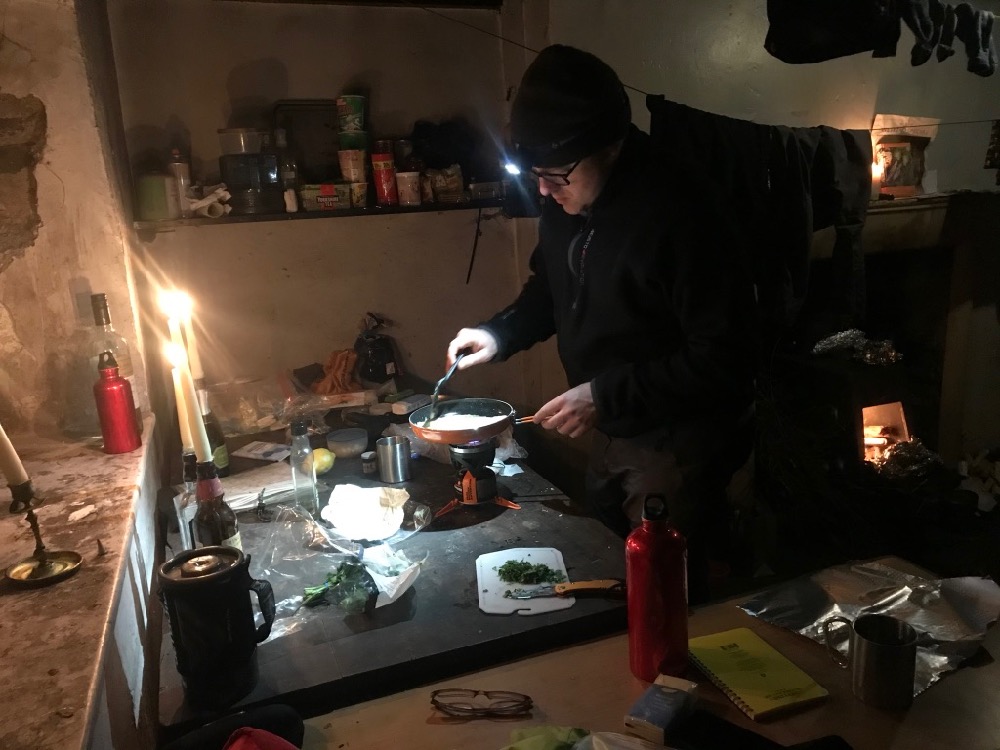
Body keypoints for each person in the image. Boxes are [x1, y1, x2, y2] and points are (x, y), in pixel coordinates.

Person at [446, 45, 758, 603]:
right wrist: (500, 332)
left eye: (555, 174)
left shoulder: (684, 213)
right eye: (533, 174)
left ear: (610, 147)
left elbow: (726, 358)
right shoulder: (567, 197)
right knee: (612, 570)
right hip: (613, 424)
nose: (543, 189)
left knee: (669, 589)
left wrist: (604, 394)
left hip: (680, 442)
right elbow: (551, 289)